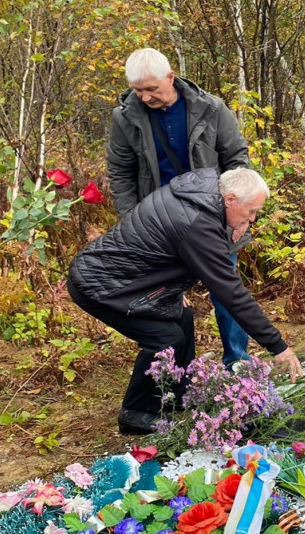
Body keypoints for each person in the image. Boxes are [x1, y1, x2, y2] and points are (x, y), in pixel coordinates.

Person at [66, 167, 302, 435]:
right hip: (100, 285)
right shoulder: (197, 224)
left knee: (182, 316)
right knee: (165, 339)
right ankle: (135, 412)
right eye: (251, 212)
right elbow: (231, 293)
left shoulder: (202, 193)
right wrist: (278, 346)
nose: (253, 219)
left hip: (129, 278)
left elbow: (169, 247)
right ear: (230, 199)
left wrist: (176, 288)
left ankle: (179, 394)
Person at [107, 47, 254, 368]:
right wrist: (133, 225)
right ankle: (179, 372)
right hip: (159, 225)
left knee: (226, 292)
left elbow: (237, 162)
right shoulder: (125, 117)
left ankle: (238, 363)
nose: (145, 97)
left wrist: (240, 215)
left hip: (212, 219)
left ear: (170, 78)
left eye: (151, 89)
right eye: (138, 91)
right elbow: (121, 174)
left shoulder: (211, 108)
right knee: (166, 298)